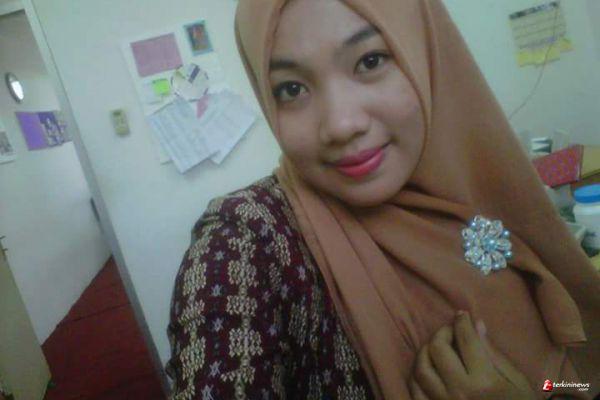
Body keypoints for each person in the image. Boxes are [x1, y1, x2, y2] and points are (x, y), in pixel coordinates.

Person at [166, 0, 600, 399]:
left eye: (370, 61)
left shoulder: (486, 189)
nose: (341, 124)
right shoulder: (247, 240)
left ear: (425, 56)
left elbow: (570, 380)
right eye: (291, 89)